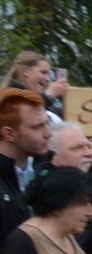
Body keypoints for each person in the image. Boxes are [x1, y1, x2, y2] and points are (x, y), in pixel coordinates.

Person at [0, 88, 53, 242]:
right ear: (9, 134)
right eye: (37, 127)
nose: (48, 133)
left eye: (46, 123)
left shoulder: (49, 169)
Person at [6, 52, 66, 120]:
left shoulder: (47, 105)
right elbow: (24, 114)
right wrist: (49, 95)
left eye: (48, 74)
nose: (47, 79)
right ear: (26, 71)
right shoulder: (9, 98)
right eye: (43, 72)